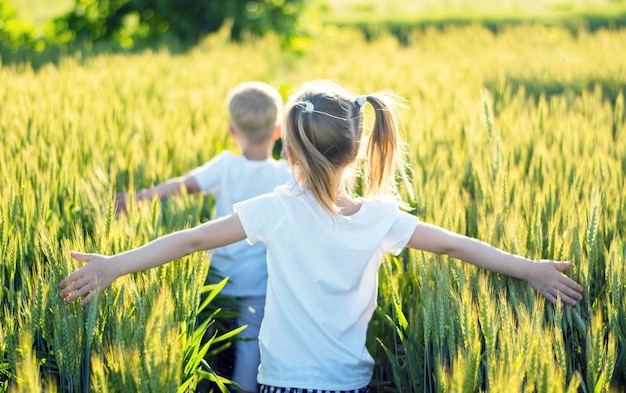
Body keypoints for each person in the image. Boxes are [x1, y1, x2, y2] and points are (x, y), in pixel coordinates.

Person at [60, 79, 583, 393]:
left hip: (282, 379)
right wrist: (530, 268)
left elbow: (193, 240)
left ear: (286, 151)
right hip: (349, 382)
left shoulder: (275, 210)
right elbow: (455, 244)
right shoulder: (382, 217)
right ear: (357, 151)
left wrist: (114, 264)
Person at [114, 81, 292, 393]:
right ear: (278, 131)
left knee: (202, 334)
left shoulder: (225, 164)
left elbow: (184, 185)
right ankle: (244, 388)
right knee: (250, 344)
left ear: (232, 132)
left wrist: (139, 197)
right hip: (258, 283)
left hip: (214, 277)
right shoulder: (283, 175)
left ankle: (200, 382)